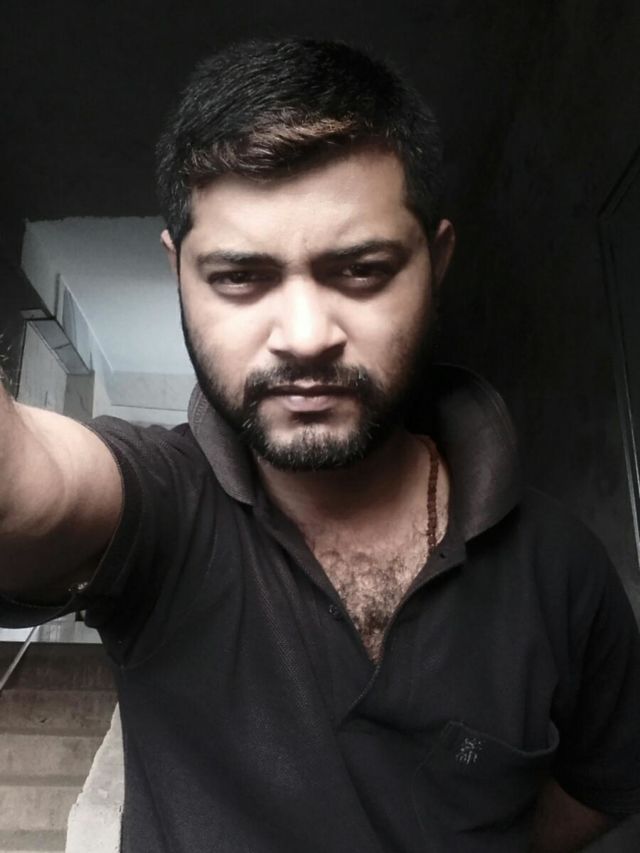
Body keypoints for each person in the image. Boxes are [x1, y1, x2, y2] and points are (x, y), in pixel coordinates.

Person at [1, 37, 639, 853]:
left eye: (362, 269)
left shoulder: (560, 564)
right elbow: (27, 490)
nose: (304, 337)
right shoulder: (163, 506)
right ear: (179, 273)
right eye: (240, 277)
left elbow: (600, 783)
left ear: (437, 262)